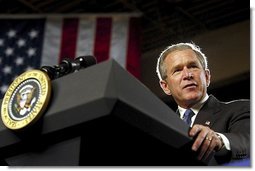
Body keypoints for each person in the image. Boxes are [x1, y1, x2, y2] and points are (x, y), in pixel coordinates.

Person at [156, 42, 250, 165]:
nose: (187, 75)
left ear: (206, 77)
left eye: (193, 66)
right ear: (166, 86)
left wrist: (220, 140)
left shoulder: (241, 109)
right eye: (177, 70)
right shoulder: (162, 130)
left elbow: (248, 142)